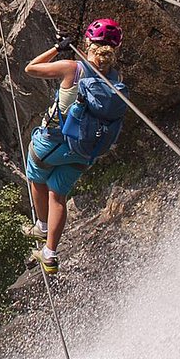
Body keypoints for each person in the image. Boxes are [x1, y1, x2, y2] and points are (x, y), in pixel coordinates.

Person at [23, 18, 123, 274]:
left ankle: (42, 226)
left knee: (36, 175)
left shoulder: (73, 68)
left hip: (53, 142)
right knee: (58, 196)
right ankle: (50, 253)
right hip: (84, 150)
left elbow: (31, 69)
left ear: (88, 43)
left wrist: (58, 48)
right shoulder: (115, 79)